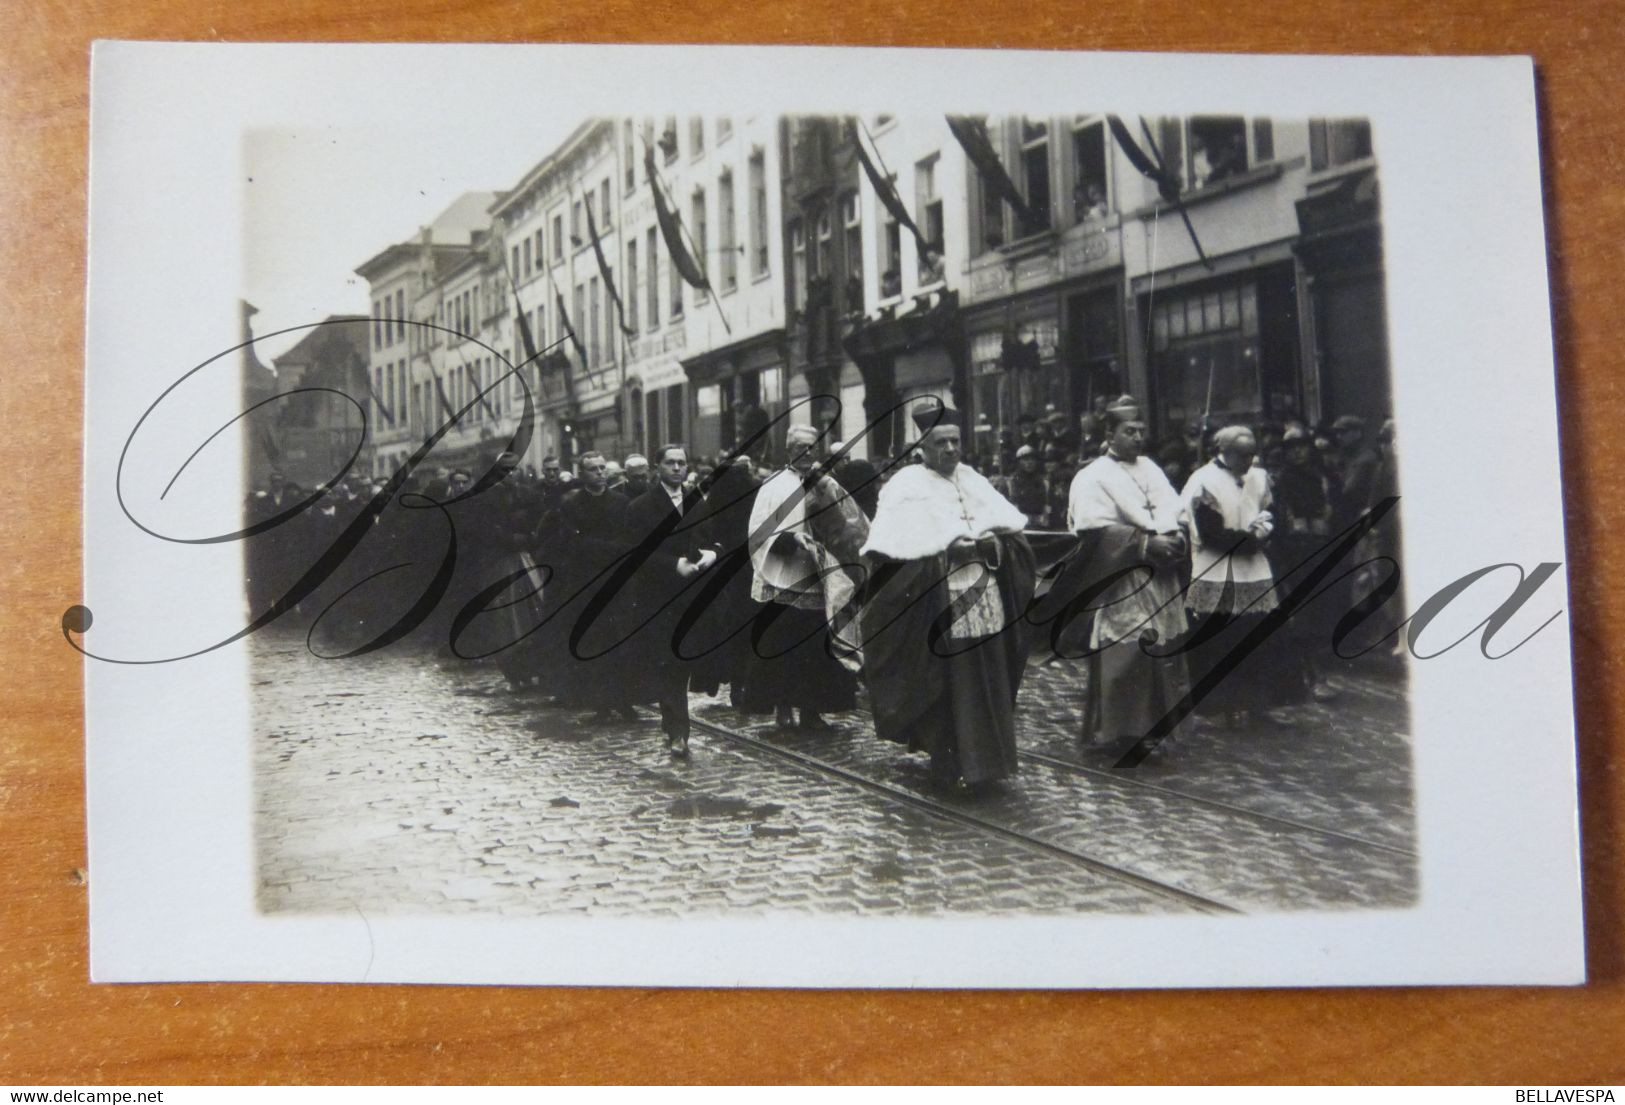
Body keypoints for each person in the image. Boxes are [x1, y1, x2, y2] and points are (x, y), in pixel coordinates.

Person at [859, 404, 1036, 790]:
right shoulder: (904, 488)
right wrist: (943, 555)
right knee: (945, 684)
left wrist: (997, 548)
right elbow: (889, 558)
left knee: (986, 678)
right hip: (936, 606)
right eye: (942, 442)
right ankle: (946, 759)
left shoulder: (973, 480)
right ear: (922, 446)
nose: (952, 449)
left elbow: (1014, 537)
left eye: (956, 441)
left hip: (985, 600)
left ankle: (986, 764)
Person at [1064, 395, 1191, 752]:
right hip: (1124, 576)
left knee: (1160, 649)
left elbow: (1174, 507)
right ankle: (1119, 731)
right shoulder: (1093, 477)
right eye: (1129, 431)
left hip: (1161, 576)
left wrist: (1177, 534)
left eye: (1141, 431)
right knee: (1127, 652)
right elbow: (1091, 534)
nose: (1138, 437)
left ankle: (1153, 728)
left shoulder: (1151, 468)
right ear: (1110, 433)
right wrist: (1144, 545)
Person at [741, 425, 866, 730]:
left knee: (816, 647)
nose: (807, 452)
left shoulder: (825, 482)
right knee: (783, 644)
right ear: (788, 450)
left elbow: (847, 519)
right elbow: (758, 531)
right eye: (800, 447)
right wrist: (787, 541)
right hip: (784, 572)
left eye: (812, 447)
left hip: (818, 574)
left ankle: (813, 709)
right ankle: (783, 706)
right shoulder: (773, 485)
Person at [1180, 426, 1306, 724]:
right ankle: (1225, 706)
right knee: (1222, 640)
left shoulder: (1259, 477)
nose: (1250, 461)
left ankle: (1259, 704)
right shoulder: (1203, 481)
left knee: (1259, 638)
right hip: (1218, 567)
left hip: (1254, 569)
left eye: (1252, 454)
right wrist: (1249, 541)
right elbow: (1209, 531)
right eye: (1242, 455)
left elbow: (1270, 510)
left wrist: (1263, 529)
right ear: (1224, 452)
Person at [621, 444, 717, 756]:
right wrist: (672, 564)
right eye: (670, 463)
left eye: (681, 463)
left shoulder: (698, 501)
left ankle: (674, 723)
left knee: (682, 664)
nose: (677, 468)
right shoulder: (640, 507)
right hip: (658, 597)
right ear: (657, 467)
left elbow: (712, 537)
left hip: (693, 596)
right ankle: (678, 732)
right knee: (670, 664)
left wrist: (713, 553)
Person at [540, 450, 638, 718]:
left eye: (602, 467)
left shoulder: (621, 502)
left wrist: (614, 550)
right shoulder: (571, 504)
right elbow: (572, 542)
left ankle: (623, 699)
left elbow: (630, 537)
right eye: (593, 469)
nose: (600, 472)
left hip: (617, 580)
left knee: (620, 638)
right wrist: (608, 549)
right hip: (586, 580)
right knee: (593, 640)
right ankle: (600, 703)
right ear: (582, 474)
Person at [828, 440, 881, 520]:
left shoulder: (855, 471)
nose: (846, 462)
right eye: (841, 459)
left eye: (847, 458)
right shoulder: (826, 478)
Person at [1005, 444, 1048, 526]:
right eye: (1025, 459)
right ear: (1019, 462)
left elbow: (1046, 503)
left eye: (1032, 459)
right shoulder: (1013, 481)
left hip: (1039, 521)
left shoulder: (1042, 481)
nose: (1029, 462)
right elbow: (1013, 502)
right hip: (1019, 522)